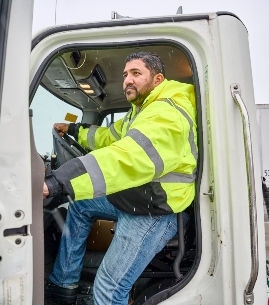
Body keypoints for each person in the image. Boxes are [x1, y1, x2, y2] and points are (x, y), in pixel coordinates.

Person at [43, 51, 197, 305]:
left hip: (155, 211)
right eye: (126, 74)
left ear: (158, 79)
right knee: (81, 205)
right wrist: (73, 129)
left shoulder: (167, 112)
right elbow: (108, 137)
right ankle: (64, 285)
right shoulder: (140, 112)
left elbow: (126, 157)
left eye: (137, 73)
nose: (127, 79)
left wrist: (60, 181)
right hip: (138, 198)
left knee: (109, 287)